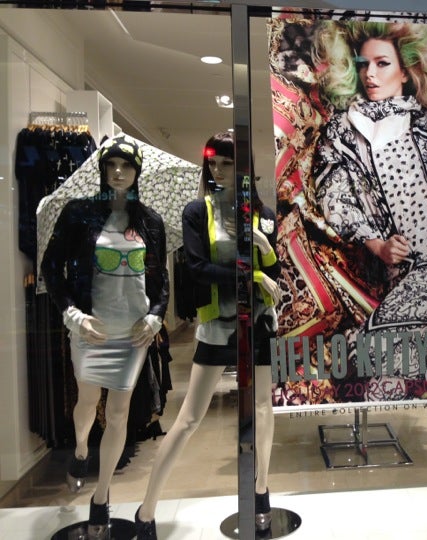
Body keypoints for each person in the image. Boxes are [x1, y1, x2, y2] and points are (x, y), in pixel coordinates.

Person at [311, 21, 427, 399]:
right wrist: (376, 244)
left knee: (363, 348)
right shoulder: (341, 131)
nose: (370, 74)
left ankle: (423, 374)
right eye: (363, 64)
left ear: (406, 71)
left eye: (382, 63)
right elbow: (333, 196)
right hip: (394, 271)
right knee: (373, 360)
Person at [135, 132, 281, 538]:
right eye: (212, 163)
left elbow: (275, 272)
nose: (217, 170)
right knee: (188, 419)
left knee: (264, 409)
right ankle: (147, 509)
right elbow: (199, 269)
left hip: (259, 324)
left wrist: (265, 249)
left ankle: (262, 492)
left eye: (227, 163)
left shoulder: (264, 213)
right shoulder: (198, 211)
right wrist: (252, 274)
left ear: (243, 167)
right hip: (218, 326)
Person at [41, 135, 169, 539]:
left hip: (133, 332)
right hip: (91, 328)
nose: (117, 172)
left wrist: (155, 315)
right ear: (101, 169)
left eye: (126, 166)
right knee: (87, 401)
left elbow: (161, 280)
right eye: (111, 165)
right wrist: (72, 314)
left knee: (118, 414)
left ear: (136, 172)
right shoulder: (79, 214)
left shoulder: (149, 221)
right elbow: (51, 267)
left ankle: (101, 497)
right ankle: (81, 447)